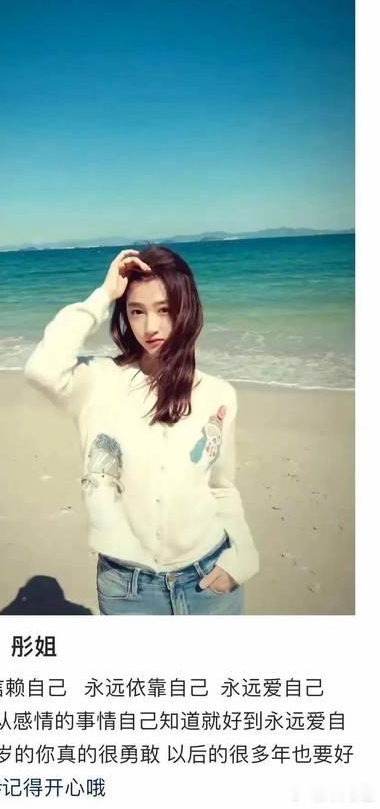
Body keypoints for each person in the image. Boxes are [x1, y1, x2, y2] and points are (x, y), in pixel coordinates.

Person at [24, 245, 259, 615]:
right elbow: (42, 369)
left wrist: (242, 557)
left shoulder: (218, 395)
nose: (150, 327)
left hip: (210, 580)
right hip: (127, 589)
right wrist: (104, 294)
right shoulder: (99, 381)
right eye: (137, 311)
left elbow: (222, 488)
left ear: (187, 308)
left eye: (164, 309)